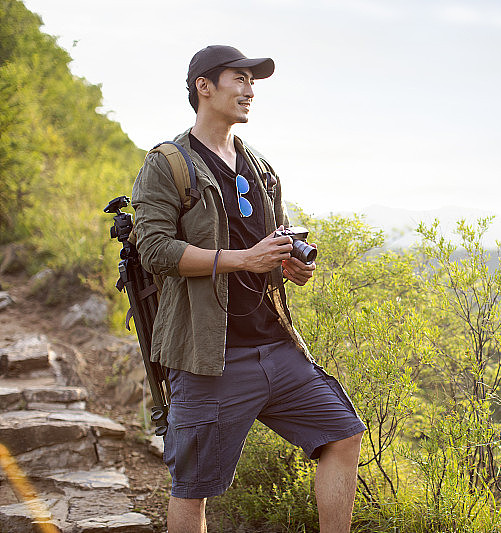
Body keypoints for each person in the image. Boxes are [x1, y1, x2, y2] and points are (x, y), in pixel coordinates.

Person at [131, 45, 365, 533]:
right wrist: (244, 259)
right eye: (239, 79)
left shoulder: (260, 167)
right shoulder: (167, 164)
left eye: (252, 81)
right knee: (193, 489)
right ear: (204, 87)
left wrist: (286, 266)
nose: (249, 90)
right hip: (208, 357)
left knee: (343, 435)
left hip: (277, 348)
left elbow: (268, 242)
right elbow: (154, 251)